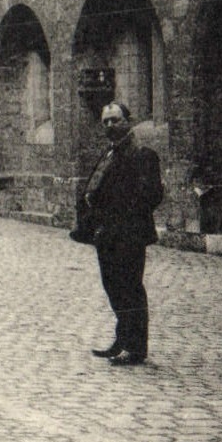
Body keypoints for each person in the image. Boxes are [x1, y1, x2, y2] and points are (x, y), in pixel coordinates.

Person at [80, 101, 163, 366]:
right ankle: (123, 338)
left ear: (128, 121)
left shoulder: (143, 155)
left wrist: (123, 219)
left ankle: (136, 348)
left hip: (129, 234)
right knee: (113, 287)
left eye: (115, 120)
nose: (109, 125)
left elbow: (151, 195)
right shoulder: (109, 153)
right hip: (106, 235)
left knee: (130, 289)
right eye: (105, 121)